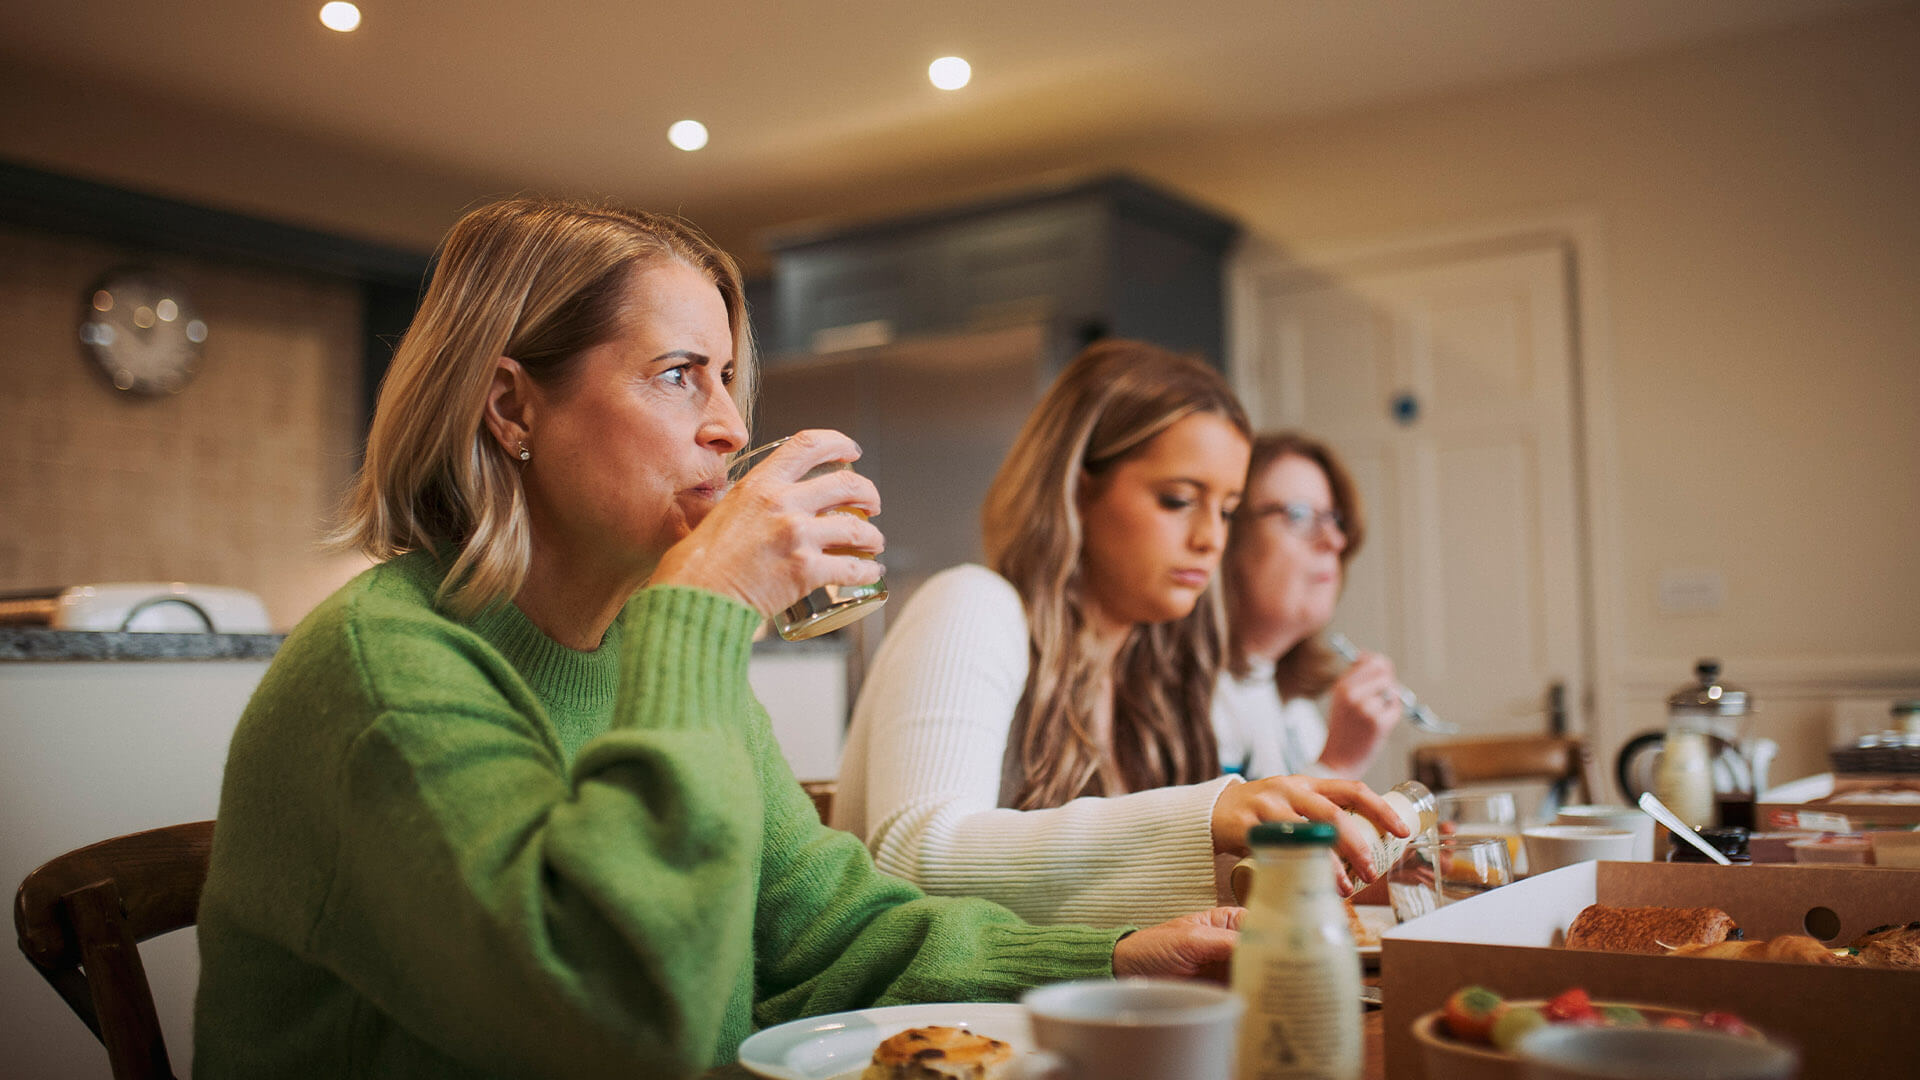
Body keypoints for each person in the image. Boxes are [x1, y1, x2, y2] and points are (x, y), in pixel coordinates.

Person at [191, 199, 1243, 1080]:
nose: (731, 431)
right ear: (511, 406)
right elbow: (624, 1031)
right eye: (675, 374)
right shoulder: (385, 669)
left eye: (727, 379)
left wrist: (1114, 959)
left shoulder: (648, 652)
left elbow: (824, 932)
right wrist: (698, 610)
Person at [834, 341, 1406, 927]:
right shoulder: (973, 605)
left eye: (1228, 509)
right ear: (1079, 490)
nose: (1212, 538)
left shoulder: (1153, 673)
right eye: (1178, 499)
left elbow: (1117, 886)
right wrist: (1204, 815)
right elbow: (913, 859)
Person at [1213, 432, 1402, 782]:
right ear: (1226, 534)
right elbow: (1222, 839)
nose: (1334, 540)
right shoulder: (1191, 706)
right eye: (1298, 515)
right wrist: (1338, 765)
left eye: (1334, 519)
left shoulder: (1297, 711)